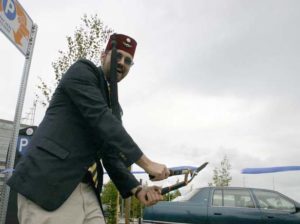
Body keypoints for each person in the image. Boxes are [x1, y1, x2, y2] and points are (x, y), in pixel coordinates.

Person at [7, 33, 170, 224]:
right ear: (103, 55)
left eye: (128, 61)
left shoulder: (114, 108)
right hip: (48, 184)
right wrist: (147, 164)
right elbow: (101, 119)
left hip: (87, 190)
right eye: (117, 56)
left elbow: (110, 155)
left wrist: (138, 189)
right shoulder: (82, 71)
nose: (122, 63)